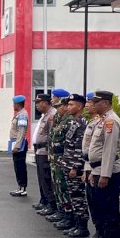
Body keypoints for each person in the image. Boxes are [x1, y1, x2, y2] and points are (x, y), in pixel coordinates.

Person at [87, 91, 120, 238]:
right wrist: (92, 170)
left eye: (97, 102)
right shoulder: (102, 120)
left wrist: (104, 174)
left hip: (106, 171)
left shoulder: (111, 121)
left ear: (106, 103)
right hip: (98, 169)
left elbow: (109, 150)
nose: (94, 105)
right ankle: (105, 237)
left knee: (110, 208)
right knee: (101, 207)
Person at [61, 94, 89, 238]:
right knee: (73, 195)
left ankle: (83, 226)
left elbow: (80, 147)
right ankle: (77, 224)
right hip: (68, 163)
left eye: (72, 105)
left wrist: (76, 167)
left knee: (78, 196)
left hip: (74, 166)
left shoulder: (82, 123)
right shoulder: (74, 122)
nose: (68, 107)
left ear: (79, 106)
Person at [81, 92, 105, 238]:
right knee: (92, 203)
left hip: (98, 168)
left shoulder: (103, 123)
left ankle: (102, 234)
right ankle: (98, 232)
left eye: (90, 102)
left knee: (99, 203)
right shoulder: (93, 122)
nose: (88, 105)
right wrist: (85, 169)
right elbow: (88, 149)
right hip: (90, 167)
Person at [48, 95, 73, 230]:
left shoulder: (69, 121)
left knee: (64, 188)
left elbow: (68, 143)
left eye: (60, 107)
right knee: (58, 187)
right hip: (56, 159)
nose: (58, 110)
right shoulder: (60, 120)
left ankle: (69, 216)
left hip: (63, 160)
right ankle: (62, 212)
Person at [33, 94, 56, 215]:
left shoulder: (51, 115)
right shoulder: (45, 115)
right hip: (40, 150)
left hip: (45, 151)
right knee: (42, 178)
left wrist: (50, 154)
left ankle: (51, 204)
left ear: (46, 103)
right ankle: (45, 201)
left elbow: (52, 136)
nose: (36, 105)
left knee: (47, 179)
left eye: (39, 102)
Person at [9, 95, 29, 197]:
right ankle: (20, 186)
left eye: (14, 104)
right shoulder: (19, 114)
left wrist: (17, 145)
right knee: (17, 166)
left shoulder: (22, 115)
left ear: (18, 104)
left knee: (20, 166)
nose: (13, 106)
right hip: (16, 143)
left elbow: (21, 131)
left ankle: (23, 188)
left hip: (19, 145)